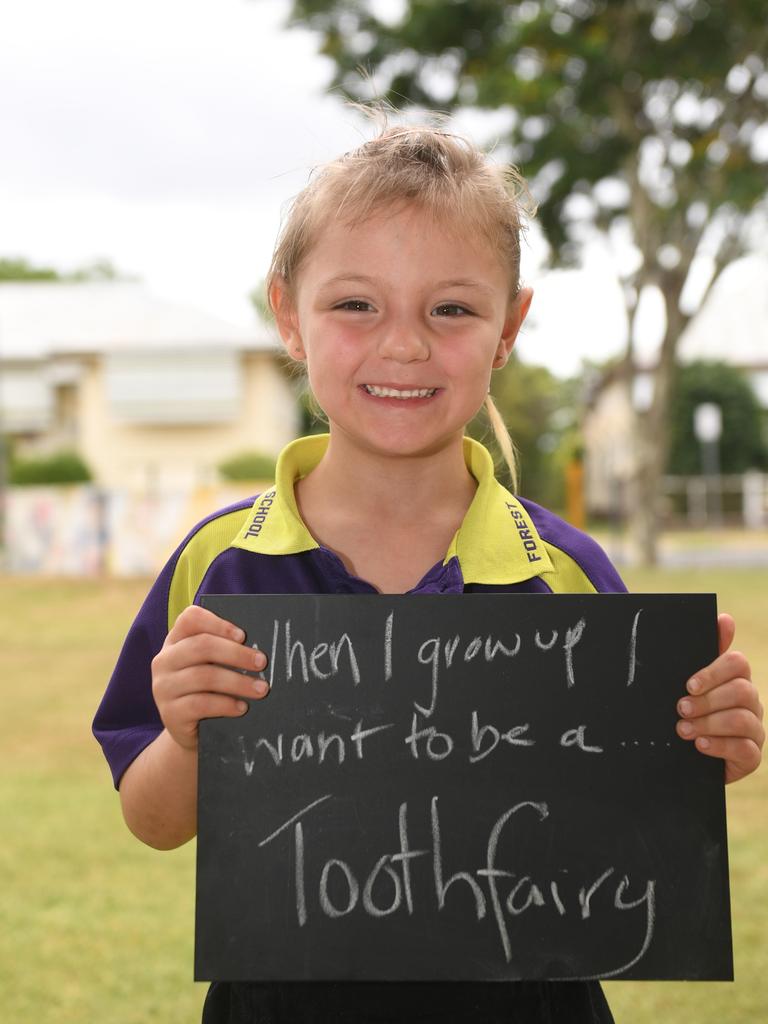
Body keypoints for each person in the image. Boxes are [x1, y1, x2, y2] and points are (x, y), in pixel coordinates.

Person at [93, 121, 764, 1024]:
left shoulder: (566, 569)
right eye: (355, 305)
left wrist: (707, 746)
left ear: (507, 330)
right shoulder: (220, 568)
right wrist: (184, 739)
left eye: (451, 308)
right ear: (288, 314)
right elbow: (155, 822)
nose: (403, 344)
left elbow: (636, 808)